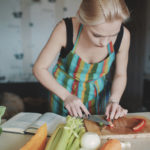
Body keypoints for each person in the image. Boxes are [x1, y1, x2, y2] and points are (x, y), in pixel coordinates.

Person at [33, 0, 130, 120]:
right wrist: (66, 96)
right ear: (82, 18)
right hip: (63, 95)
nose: (105, 42)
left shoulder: (124, 36)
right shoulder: (65, 29)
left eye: (113, 34)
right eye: (97, 35)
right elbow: (39, 68)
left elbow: (120, 74)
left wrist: (114, 100)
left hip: (99, 97)